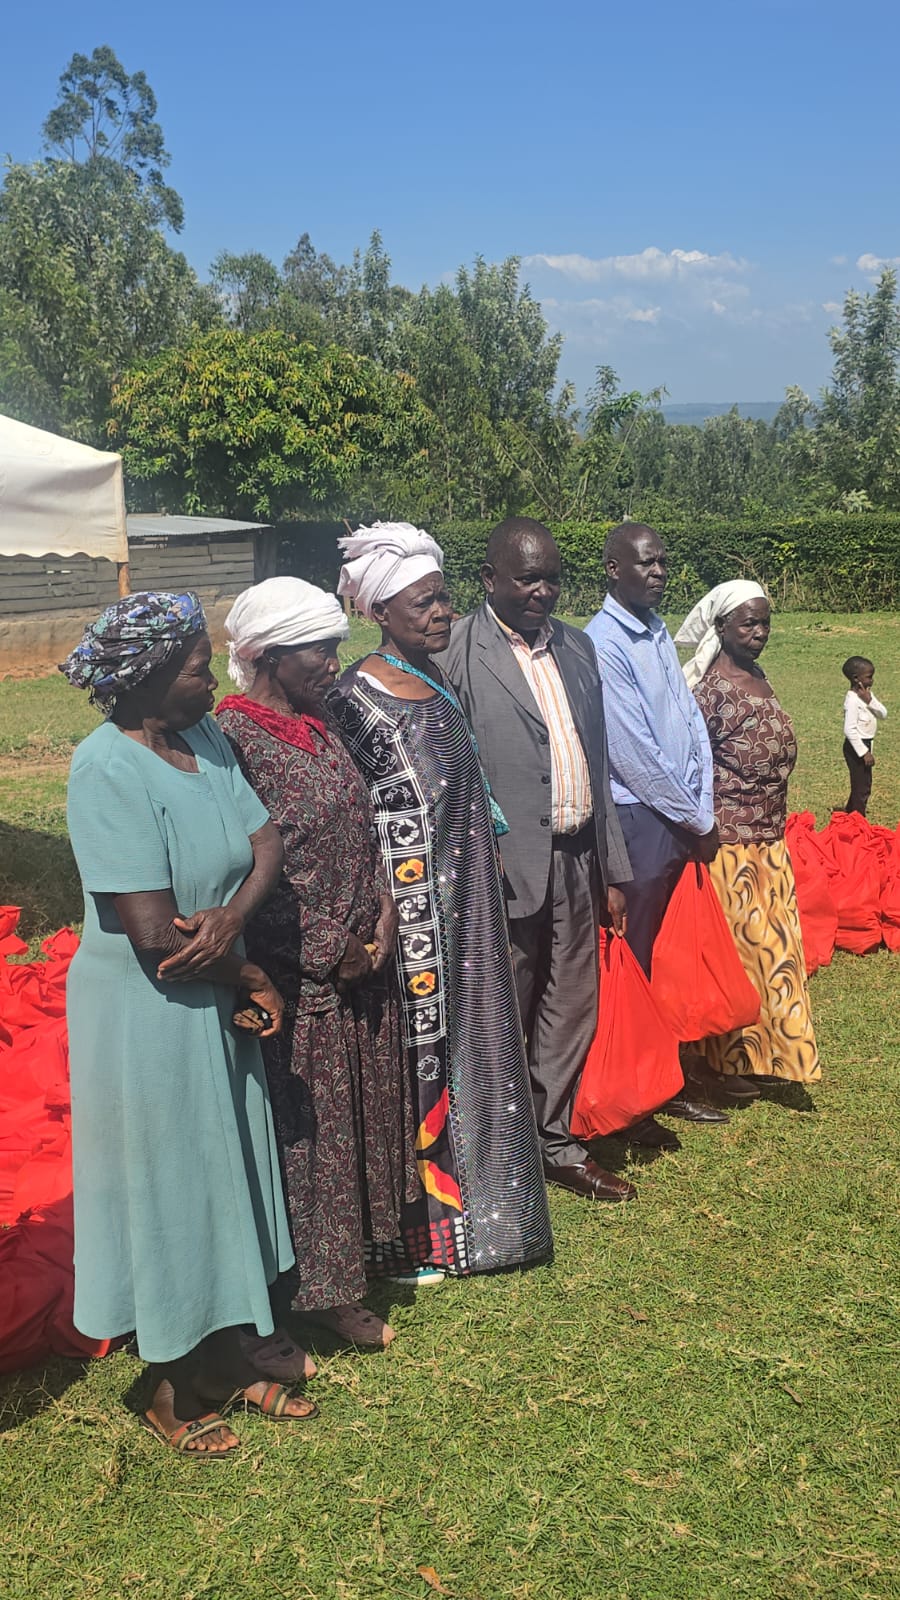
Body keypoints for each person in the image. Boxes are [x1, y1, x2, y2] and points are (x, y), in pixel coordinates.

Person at [60, 591, 314, 1460]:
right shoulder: (104, 768)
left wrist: (231, 919)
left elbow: (266, 840)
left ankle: (226, 1355)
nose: (213, 680)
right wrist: (249, 970)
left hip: (214, 990)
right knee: (170, 1184)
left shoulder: (202, 738)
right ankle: (168, 1384)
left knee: (221, 1172)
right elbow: (150, 935)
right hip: (148, 1012)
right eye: (199, 668)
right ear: (146, 677)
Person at [329, 521, 553, 1276]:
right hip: (412, 916)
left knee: (479, 1041)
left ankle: (496, 1218)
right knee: (421, 1058)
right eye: (421, 603)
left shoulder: (434, 682)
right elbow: (354, 812)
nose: (440, 613)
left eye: (443, 598)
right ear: (380, 612)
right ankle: (422, 1234)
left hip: (469, 904)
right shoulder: (355, 697)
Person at [217, 577, 419, 1351]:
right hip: (300, 980)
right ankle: (318, 1292)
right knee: (312, 1143)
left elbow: (355, 829)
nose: (334, 663)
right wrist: (333, 948)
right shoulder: (234, 741)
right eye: (319, 650)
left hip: (361, 959)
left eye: (336, 646)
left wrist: (383, 913)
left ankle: (359, 1256)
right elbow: (253, 871)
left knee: (352, 1130)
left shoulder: (317, 722)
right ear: (269, 655)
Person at [443, 517, 641, 1196]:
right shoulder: (457, 652)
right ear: (489, 578)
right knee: (503, 1008)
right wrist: (474, 858)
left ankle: (554, 1140)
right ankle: (495, 1151)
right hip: (502, 866)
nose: (543, 592)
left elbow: (598, 761)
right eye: (528, 579)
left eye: (552, 579)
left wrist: (613, 869)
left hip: (578, 855)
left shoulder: (577, 648)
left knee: (571, 1003)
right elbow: (449, 773)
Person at [585, 524, 730, 1120]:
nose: (659, 572)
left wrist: (702, 801)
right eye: (646, 563)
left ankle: (677, 1071)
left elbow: (688, 718)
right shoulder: (603, 642)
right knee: (639, 955)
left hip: (679, 814)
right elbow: (632, 752)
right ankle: (644, 1086)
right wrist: (695, 816)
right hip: (641, 818)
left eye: (662, 562)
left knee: (674, 953)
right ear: (613, 569)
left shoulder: (657, 630)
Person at [675, 582, 820, 1086]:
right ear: (721, 628)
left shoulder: (757, 675)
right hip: (730, 846)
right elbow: (690, 765)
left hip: (769, 840)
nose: (759, 633)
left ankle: (769, 1056)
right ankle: (723, 1061)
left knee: (778, 954)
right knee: (745, 955)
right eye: (748, 624)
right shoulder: (711, 690)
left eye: (765, 624)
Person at [841, 655, 887, 816]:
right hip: (856, 747)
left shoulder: (866, 695)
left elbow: (883, 714)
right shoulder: (852, 701)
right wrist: (863, 752)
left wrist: (870, 701)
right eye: (869, 677)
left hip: (866, 744)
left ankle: (850, 813)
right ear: (856, 678)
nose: (872, 680)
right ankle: (858, 818)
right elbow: (849, 729)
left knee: (863, 783)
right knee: (861, 787)